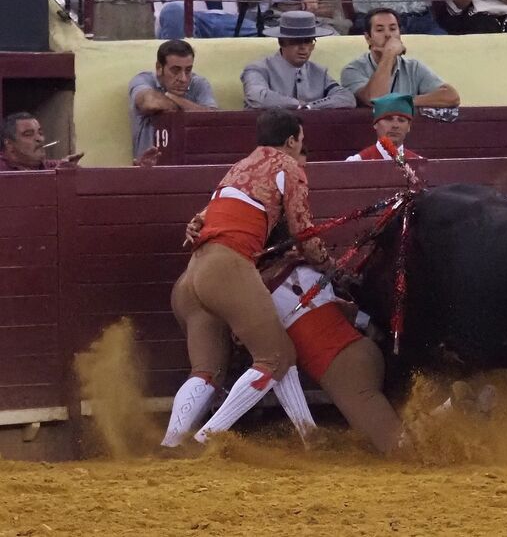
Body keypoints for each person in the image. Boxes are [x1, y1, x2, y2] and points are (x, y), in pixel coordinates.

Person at [161, 109, 329, 448]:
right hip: (227, 268)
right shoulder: (288, 167)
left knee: (207, 371)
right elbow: (303, 233)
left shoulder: (237, 168)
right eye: (301, 141)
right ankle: (206, 438)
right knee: (275, 356)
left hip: (192, 275)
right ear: (291, 140)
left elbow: (201, 220)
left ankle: (171, 443)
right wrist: (328, 261)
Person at [261, 249, 406, 454]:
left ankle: (452, 413)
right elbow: (350, 311)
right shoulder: (306, 266)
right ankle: (448, 408)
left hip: (341, 371)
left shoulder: (257, 293)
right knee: (397, 425)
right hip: (365, 349)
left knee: (397, 448)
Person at [340, 8, 461, 108]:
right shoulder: (352, 70)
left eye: (393, 29)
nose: (388, 35)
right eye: (380, 30)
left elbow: (451, 97)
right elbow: (376, 100)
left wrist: (405, 101)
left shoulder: (413, 66)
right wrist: (389, 55)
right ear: (368, 38)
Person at [241, 11, 355, 111]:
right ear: (282, 42)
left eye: (308, 41)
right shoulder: (258, 69)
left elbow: (346, 98)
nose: (303, 47)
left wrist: (311, 106)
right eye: (296, 41)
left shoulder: (319, 72)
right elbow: (258, 97)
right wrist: (297, 105)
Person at [129, 39, 218, 160]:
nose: (183, 78)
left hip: (192, 165)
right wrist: (190, 109)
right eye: (175, 70)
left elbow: (214, 120)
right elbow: (150, 103)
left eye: (188, 70)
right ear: (159, 67)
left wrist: (172, 96)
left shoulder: (198, 83)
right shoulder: (144, 80)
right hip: (149, 169)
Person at [346, 93, 422, 161]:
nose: (395, 126)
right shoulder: (357, 162)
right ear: (375, 124)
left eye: (401, 120)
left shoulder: (419, 163)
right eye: (388, 119)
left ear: (409, 126)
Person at [0, 112, 83, 171]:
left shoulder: (50, 166)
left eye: (40, 133)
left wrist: (70, 168)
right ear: (9, 144)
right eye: (28, 134)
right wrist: (57, 176)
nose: (40, 139)